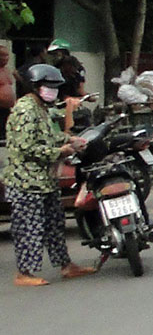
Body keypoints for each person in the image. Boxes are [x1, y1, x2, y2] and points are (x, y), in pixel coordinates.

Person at [3, 64, 97, 285]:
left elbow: (46, 136)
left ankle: (66, 265)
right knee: (29, 229)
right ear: (36, 87)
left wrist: (69, 140)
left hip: (45, 181)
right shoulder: (25, 110)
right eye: (48, 87)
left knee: (55, 226)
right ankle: (24, 274)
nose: (53, 92)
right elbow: (28, 147)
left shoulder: (41, 108)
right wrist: (60, 152)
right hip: (26, 182)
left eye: (55, 87)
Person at [0, 43, 15, 141]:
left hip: (7, 108)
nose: (5, 58)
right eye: (2, 55)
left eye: (7, 55)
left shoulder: (7, 70)